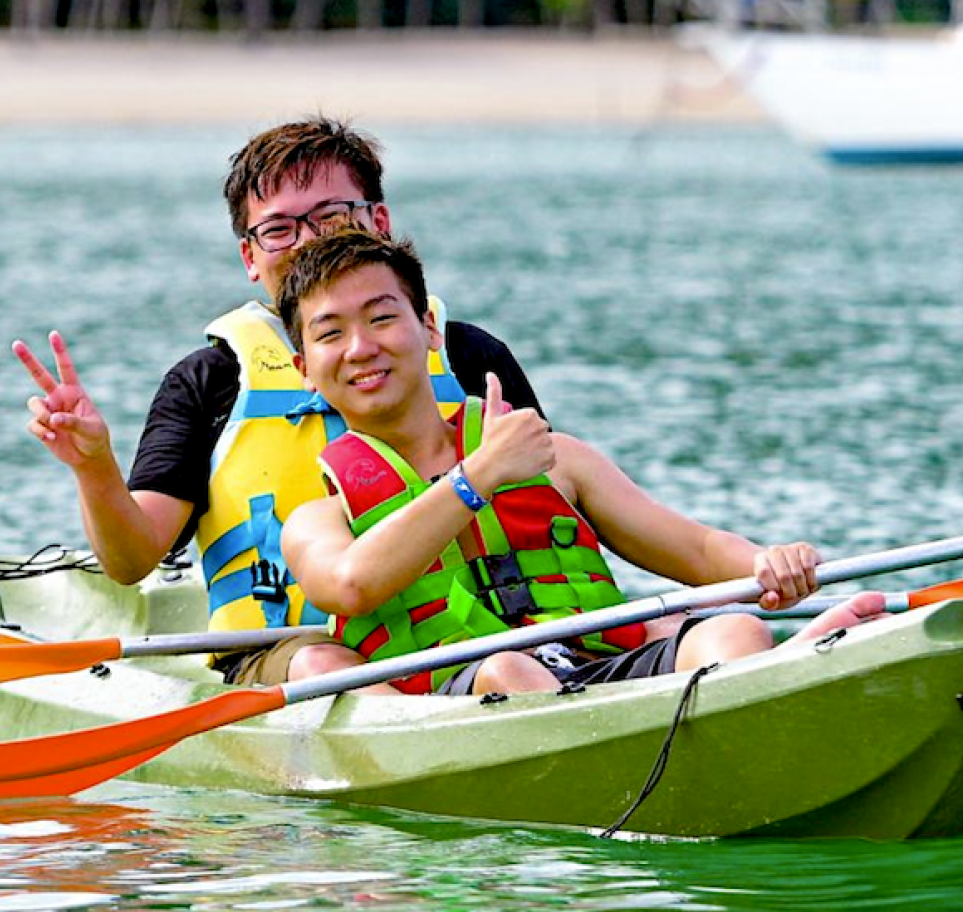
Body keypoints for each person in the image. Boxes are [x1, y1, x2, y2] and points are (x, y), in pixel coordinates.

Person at [15, 117, 543, 685]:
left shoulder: (467, 355)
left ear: (379, 222)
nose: (309, 241)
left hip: (468, 640)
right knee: (328, 664)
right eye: (278, 230)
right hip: (292, 651)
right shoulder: (209, 381)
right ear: (250, 256)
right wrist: (94, 466)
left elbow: (551, 505)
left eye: (332, 216)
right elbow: (132, 560)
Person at [277, 229, 883, 696]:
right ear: (305, 368)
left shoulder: (559, 462)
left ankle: (777, 681)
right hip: (465, 699)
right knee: (506, 671)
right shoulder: (315, 522)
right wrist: (478, 477)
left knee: (734, 629)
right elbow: (352, 586)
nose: (361, 348)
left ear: (429, 328)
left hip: (600, 669)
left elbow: (695, 550)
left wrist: (765, 564)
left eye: (383, 317)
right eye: (331, 334)